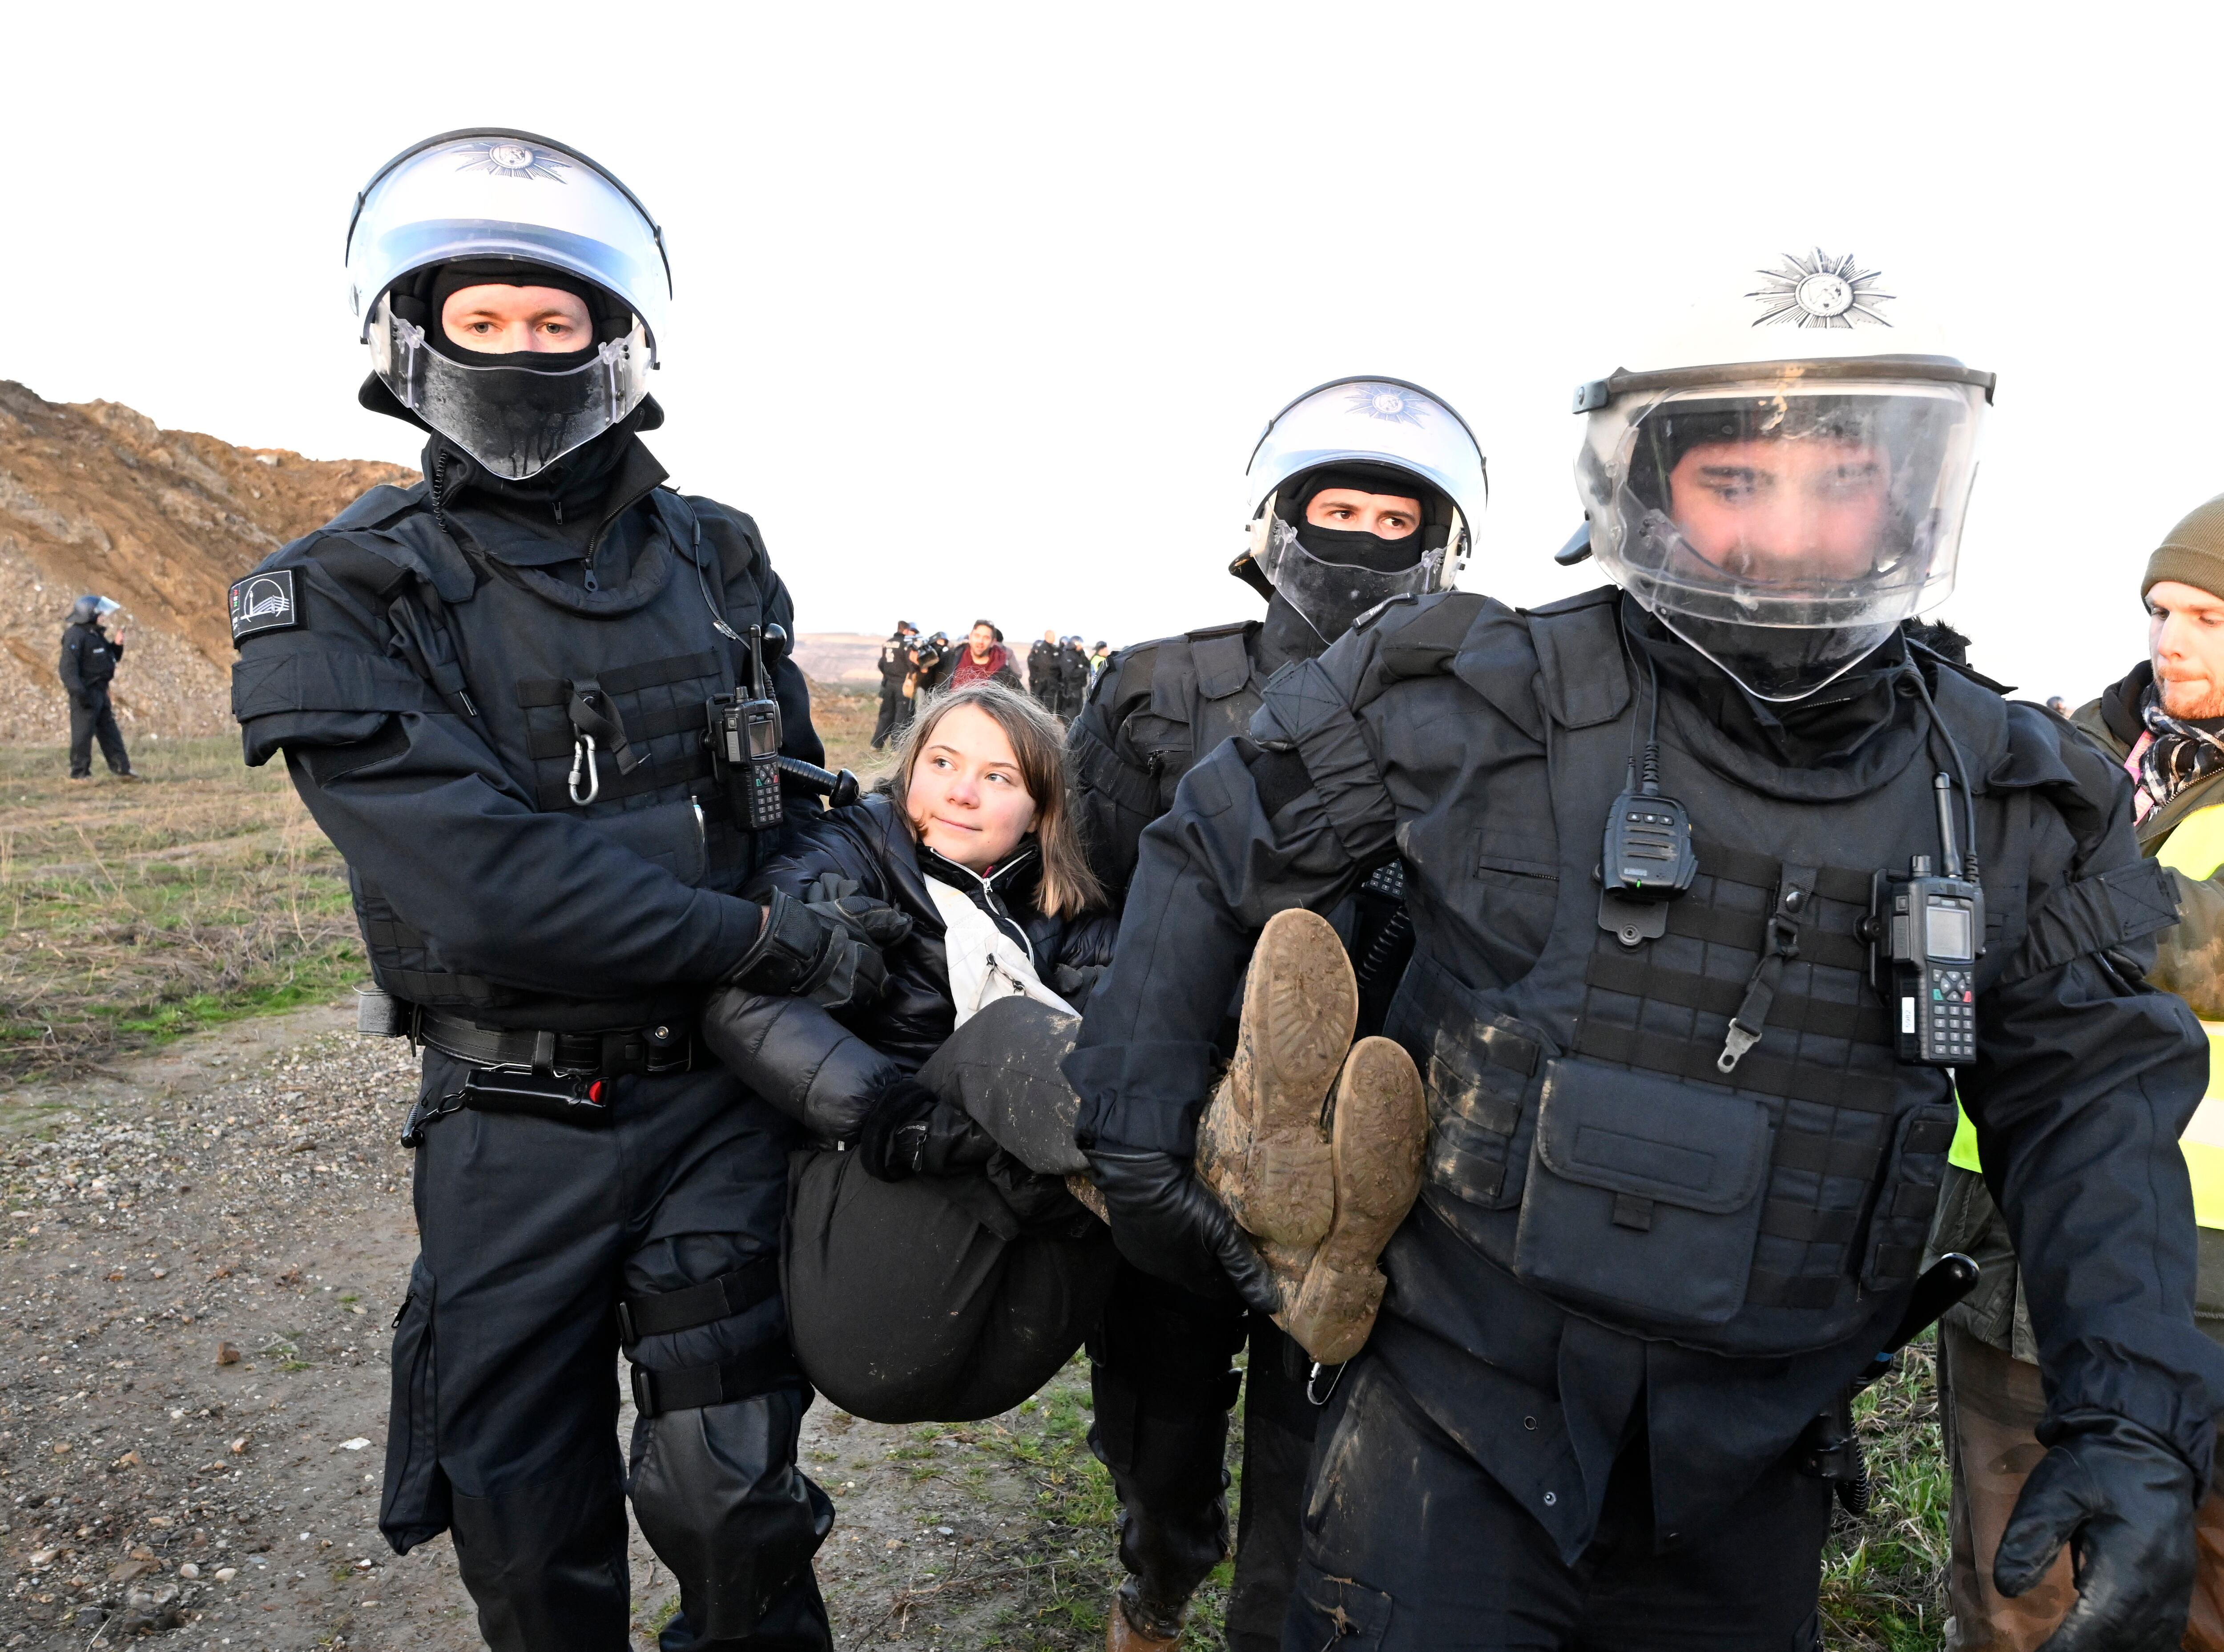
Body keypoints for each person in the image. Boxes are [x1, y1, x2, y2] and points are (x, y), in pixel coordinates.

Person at [1067, 254, 2224, 1650]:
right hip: (1451, 1420)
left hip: (1750, 1457)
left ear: (1912, 495)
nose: (1788, 529)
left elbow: (2089, 1108)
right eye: (1735, 481)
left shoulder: (2007, 792)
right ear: (1649, 488)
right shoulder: (1471, 695)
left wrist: (2131, 1417)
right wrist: (1133, 1137)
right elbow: (1209, 842)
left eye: (1836, 479)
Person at [230, 129, 903, 1652]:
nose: (526, 353)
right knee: (526, 1535)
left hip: (713, 1106)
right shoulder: (340, 590)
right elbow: (483, 881)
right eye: (486, 322)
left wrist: (827, 891)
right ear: (416, 335)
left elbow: (795, 788)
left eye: (558, 321)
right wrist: (753, 930)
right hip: (510, 1126)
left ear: (618, 336)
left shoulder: (723, 555)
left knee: (735, 1496)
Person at [1064, 376, 1488, 1652]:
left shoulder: (1477, 716)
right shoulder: (1153, 689)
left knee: (1321, 1448)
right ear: (1277, 523)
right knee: (1159, 1415)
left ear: (1439, 544)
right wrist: (1143, 1084)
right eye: (1336, 508)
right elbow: (1090, 899)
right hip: (1178, 1117)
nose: (1361, 543)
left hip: (1364, 1153)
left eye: (1393, 519)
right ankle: (1157, 1577)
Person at [1931, 492, 2224, 1651]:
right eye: (2161, 608)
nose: (2172, 637)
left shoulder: (2055, 781)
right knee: (2020, 1596)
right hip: (2019, 1254)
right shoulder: (2082, 752)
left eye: (2209, 613)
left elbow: (2198, 945)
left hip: (2209, 1275)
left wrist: (2024, 862)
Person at [59, 594, 141, 782]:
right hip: (85, 692)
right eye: (101, 614)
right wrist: (80, 693)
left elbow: (110, 658)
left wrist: (117, 645)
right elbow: (68, 670)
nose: (104, 617)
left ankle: (123, 769)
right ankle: (80, 774)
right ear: (90, 614)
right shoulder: (75, 635)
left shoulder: (94, 634)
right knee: (83, 734)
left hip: (100, 691)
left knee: (110, 732)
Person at [872, 620, 919, 750]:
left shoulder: (887, 643)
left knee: (886, 715)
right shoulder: (906, 645)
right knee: (901, 716)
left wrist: (888, 675)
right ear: (906, 631)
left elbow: (881, 664)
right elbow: (911, 664)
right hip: (902, 685)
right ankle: (896, 748)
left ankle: (876, 745)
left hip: (888, 685)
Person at [943, 618, 1021, 692]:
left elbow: (1024, 700)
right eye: (977, 636)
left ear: (993, 642)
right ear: (970, 637)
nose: (981, 641)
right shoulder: (950, 658)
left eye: (986, 638)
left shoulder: (1005, 674)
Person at [1030, 628, 1066, 713]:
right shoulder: (1044, 648)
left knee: (1050, 703)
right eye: (1052, 636)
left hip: (1053, 681)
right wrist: (1060, 663)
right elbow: (1048, 664)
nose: (1054, 638)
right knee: (1042, 703)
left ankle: (1048, 721)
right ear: (1047, 637)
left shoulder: (1052, 648)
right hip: (1045, 680)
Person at [1059, 635, 1092, 719]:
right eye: (1080, 645)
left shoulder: (1079, 655)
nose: (1081, 646)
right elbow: (1071, 673)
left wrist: (1083, 655)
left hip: (1079, 688)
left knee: (1080, 710)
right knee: (1072, 712)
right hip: (1071, 689)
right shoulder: (1068, 655)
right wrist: (1083, 670)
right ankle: (1069, 730)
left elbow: (1087, 665)